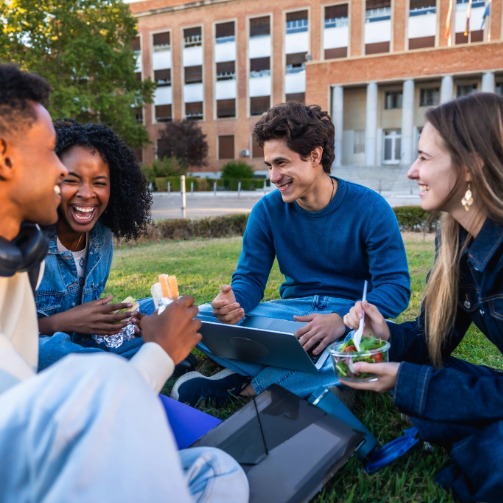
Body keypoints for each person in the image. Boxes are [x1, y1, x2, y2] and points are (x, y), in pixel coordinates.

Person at [0, 63, 248, 502]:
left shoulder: (18, 257)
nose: (62, 174)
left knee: (219, 470)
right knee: (102, 372)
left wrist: (132, 327)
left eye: (97, 181)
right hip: (34, 455)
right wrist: (155, 355)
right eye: (52, 154)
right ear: (5, 156)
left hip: (61, 406)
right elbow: (50, 403)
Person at [171, 101, 411, 406]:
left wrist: (343, 320)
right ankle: (322, 381)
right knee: (196, 319)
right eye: (269, 165)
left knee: (373, 349)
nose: (273, 176)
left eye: (281, 163)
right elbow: (249, 279)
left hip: (349, 320)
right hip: (291, 318)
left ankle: (250, 387)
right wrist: (234, 304)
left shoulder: (371, 208)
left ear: (314, 156)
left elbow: (396, 287)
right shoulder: (266, 212)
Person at [341, 92, 503, 503]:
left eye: (425, 158)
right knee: (436, 381)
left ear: (471, 167)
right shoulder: (456, 242)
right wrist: (388, 335)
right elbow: (435, 343)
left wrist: (414, 383)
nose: (412, 171)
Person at [35, 119, 196, 375]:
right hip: (37, 343)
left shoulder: (101, 236)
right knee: (45, 353)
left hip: (81, 339)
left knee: (164, 311)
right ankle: (146, 360)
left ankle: (137, 356)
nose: (87, 194)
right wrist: (63, 321)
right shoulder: (26, 240)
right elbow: (8, 336)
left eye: (99, 183)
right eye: (72, 180)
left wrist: (119, 319)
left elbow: (89, 317)